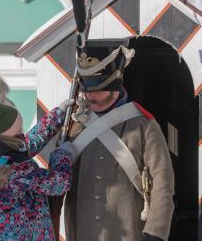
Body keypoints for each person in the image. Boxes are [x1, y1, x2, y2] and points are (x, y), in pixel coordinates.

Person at [64, 39, 175, 241]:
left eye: (97, 89)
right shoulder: (72, 125)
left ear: (115, 85)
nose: (90, 95)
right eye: (86, 90)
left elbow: (162, 183)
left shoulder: (144, 125)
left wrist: (155, 232)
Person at [0, 99, 75, 240]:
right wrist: (62, 155)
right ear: (5, 135)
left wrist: (57, 116)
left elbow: (26, 145)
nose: (21, 133)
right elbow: (59, 183)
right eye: (17, 130)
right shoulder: (15, 171)